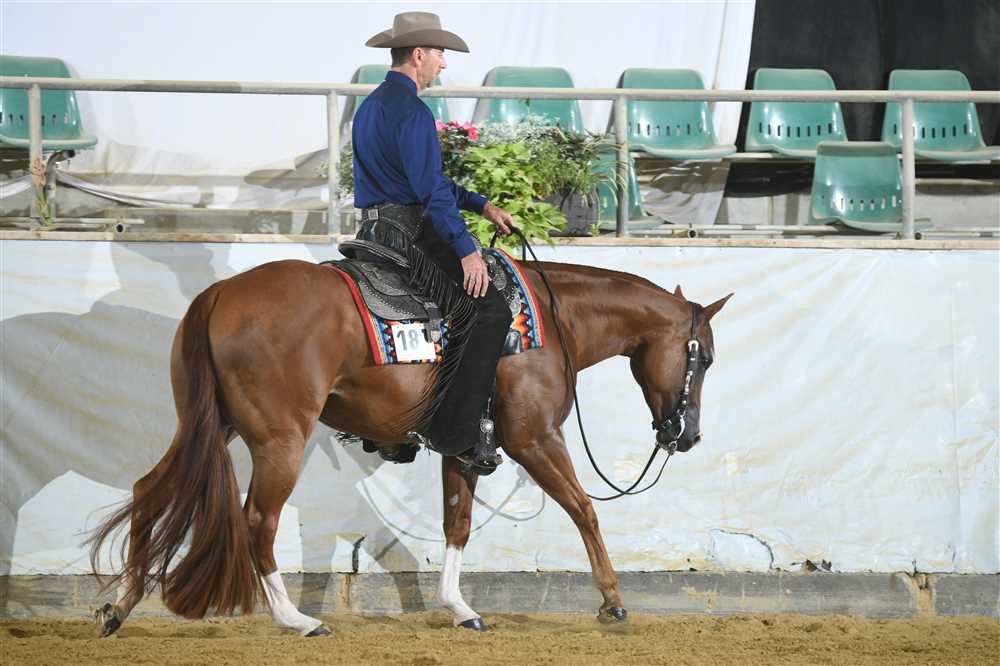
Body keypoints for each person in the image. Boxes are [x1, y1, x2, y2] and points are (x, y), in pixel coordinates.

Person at [352, 11, 516, 473]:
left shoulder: (371, 106)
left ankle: (383, 426)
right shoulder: (413, 111)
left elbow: (423, 181)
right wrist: (466, 251)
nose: (443, 64)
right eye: (441, 55)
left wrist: (481, 205)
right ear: (419, 54)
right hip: (410, 235)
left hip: (373, 231)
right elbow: (430, 191)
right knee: (489, 312)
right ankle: (457, 433)